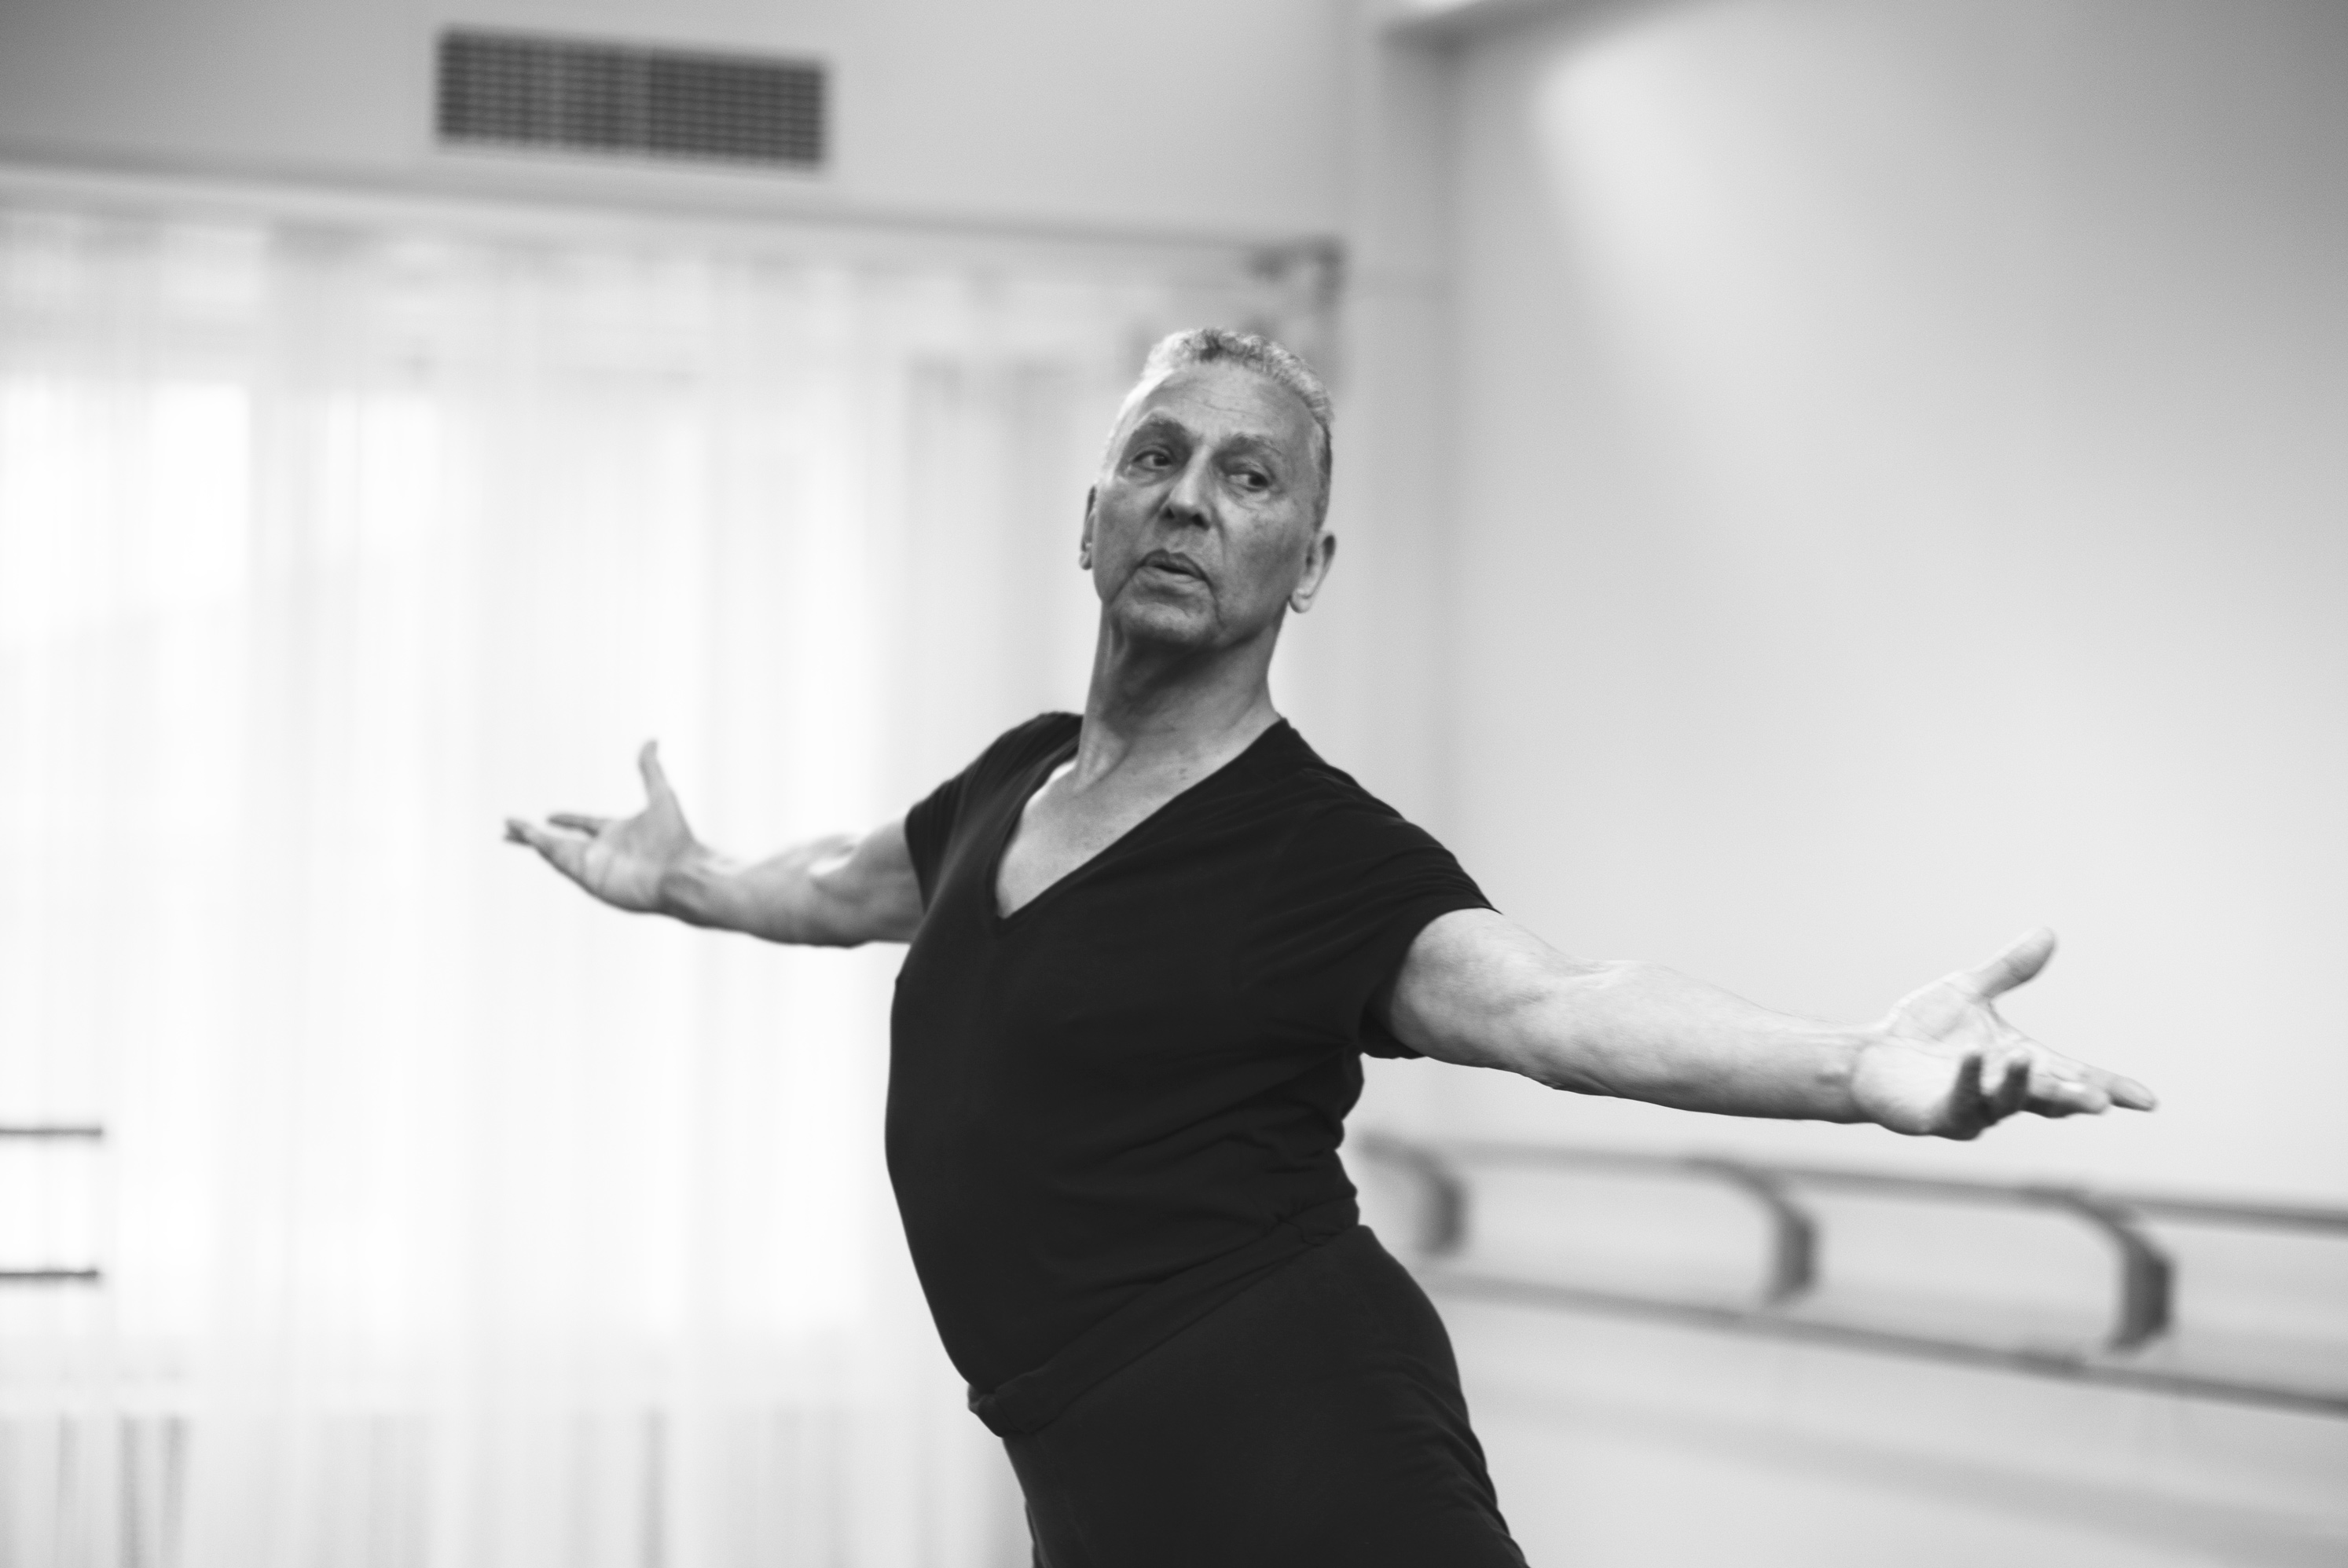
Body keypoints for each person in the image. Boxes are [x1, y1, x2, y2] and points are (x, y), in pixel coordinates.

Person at [505, 328, 2155, 1566]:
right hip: (1088, 1473)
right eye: (1158, 456)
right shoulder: (1015, 778)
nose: (1190, 498)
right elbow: (847, 883)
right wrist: (690, 876)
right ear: (1091, 517)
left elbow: (1557, 1003)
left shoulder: (1317, 852)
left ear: (1310, 564)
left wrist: (1862, 1065)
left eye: (1251, 477)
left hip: (1302, 1444)